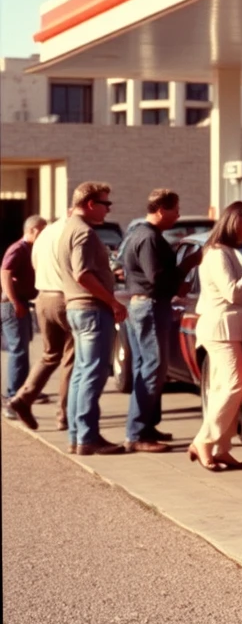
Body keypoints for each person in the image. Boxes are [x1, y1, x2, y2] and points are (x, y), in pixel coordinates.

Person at [188, 201, 242, 472]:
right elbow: (234, 294)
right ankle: (204, 441)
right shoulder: (217, 254)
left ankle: (222, 448)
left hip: (226, 328)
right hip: (221, 328)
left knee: (221, 390)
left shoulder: (222, 252)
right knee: (234, 386)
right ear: (234, 221)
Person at [119, 189, 202, 453]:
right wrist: (186, 266)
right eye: (175, 209)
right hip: (150, 305)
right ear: (160, 210)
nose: (178, 215)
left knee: (146, 367)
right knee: (152, 369)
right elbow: (158, 278)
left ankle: (147, 425)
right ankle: (137, 433)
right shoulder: (148, 237)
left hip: (145, 304)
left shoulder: (140, 234)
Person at [57, 182, 128, 455]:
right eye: (105, 204)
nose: (108, 209)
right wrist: (112, 301)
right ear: (90, 204)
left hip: (78, 309)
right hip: (91, 309)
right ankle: (87, 437)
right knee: (92, 375)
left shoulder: (68, 229)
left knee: (82, 374)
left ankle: (79, 437)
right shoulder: (84, 233)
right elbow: (82, 273)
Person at [8, 211, 76, 431]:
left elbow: (36, 267)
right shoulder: (69, 233)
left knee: (50, 355)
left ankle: (22, 398)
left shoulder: (43, 238)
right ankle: (64, 415)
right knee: (70, 358)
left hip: (42, 298)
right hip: (61, 298)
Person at [2, 215, 47, 417]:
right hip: (13, 305)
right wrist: (14, 302)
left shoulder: (31, 249)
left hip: (22, 302)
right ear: (33, 230)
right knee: (18, 350)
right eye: (42, 230)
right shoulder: (18, 249)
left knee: (23, 348)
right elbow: (4, 273)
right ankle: (13, 397)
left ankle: (24, 392)